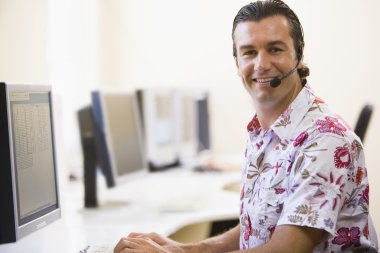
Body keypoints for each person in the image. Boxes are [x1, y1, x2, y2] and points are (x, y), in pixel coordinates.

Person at [114, 0, 379, 252]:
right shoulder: (264, 130)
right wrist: (184, 249)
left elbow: (286, 250)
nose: (261, 65)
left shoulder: (325, 139)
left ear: (298, 56)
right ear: (237, 63)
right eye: (249, 52)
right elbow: (262, 222)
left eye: (275, 49)